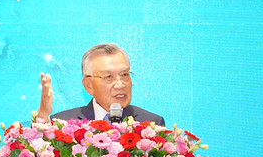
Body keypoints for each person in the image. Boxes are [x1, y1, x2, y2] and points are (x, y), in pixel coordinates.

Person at [36, 43, 166, 125]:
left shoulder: (151, 124)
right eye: (108, 77)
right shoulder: (63, 123)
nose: (120, 85)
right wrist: (42, 119)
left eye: (125, 74)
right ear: (89, 85)